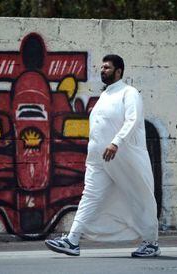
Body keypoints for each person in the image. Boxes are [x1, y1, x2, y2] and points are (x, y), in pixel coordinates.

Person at [45, 54, 160, 257]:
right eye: (102, 67)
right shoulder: (105, 96)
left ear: (119, 71)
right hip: (99, 160)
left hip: (125, 157)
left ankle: (151, 243)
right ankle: (72, 241)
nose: (102, 70)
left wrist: (116, 143)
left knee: (140, 196)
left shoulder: (129, 92)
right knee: (90, 196)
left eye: (107, 67)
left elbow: (132, 120)